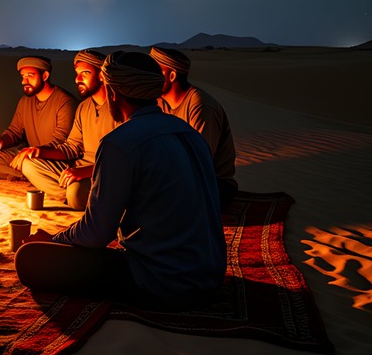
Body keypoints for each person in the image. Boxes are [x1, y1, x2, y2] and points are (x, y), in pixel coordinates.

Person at [15, 51, 226, 309]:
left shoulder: (120, 143)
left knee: (29, 258)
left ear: (113, 93)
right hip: (211, 275)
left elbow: (96, 234)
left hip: (164, 281)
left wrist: (53, 240)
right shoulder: (189, 134)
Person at [21, 49, 117, 209]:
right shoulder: (83, 108)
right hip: (79, 166)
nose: (78, 79)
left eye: (85, 73)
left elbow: (122, 160)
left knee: (75, 191)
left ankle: (78, 197)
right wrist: (39, 152)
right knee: (29, 164)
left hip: (104, 171)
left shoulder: (119, 108)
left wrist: (84, 172)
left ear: (102, 75)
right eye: (77, 73)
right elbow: (71, 147)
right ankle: (78, 197)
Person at [149, 46, 238, 210]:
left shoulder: (201, 106)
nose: (149, 78)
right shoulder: (158, 103)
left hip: (211, 183)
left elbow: (198, 161)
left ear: (172, 75)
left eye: (155, 72)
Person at [0, 55, 76, 180]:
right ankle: (23, 176)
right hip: (29, 155)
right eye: (23, 76)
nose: (24, 81)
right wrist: (1, 141)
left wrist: (35, 152)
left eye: (30, 75)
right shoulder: (25, 101)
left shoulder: (65, 102)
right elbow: (14, 132)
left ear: (45, 76)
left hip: (51, 159)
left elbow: (60, 142)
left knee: (28, 164)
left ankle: (15, 174)